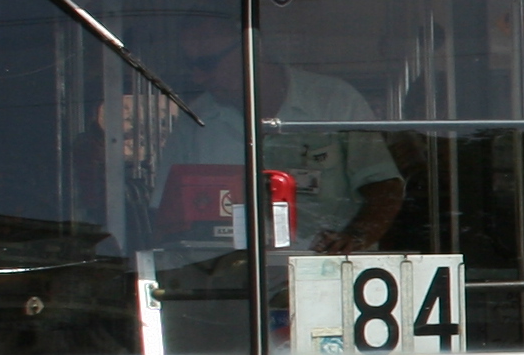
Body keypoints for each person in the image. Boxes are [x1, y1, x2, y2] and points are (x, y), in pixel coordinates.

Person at [157, 17, 405, 253]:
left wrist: (354, 238)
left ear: (253, 50)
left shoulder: (334, 101)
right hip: (229, 273)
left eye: (208, 64)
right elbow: (165, 211)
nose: (198, 77)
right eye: (191, 66)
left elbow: (383, 187)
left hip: (322, 268)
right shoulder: (195, 121)